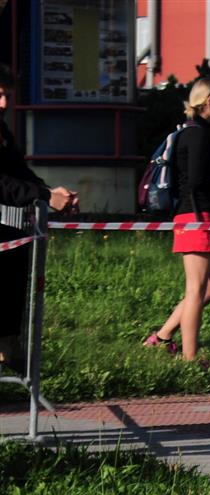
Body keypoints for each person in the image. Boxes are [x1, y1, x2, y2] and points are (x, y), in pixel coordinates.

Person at [143, 77, 210, 363]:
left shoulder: (196, 132)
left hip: (199, 215)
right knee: (195, 291)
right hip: (195, 216)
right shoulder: (197, 135)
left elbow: (196, 174)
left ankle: (161, 338)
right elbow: (195, 179)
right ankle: (190, 359)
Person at [0, 65, 78, 368]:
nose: (5, 104)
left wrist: (52, 192)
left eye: (9, 96)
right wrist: (45, 196)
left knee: (17, 249)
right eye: (0, 95)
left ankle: (7, 341)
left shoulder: (3, 131)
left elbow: (18, 172)